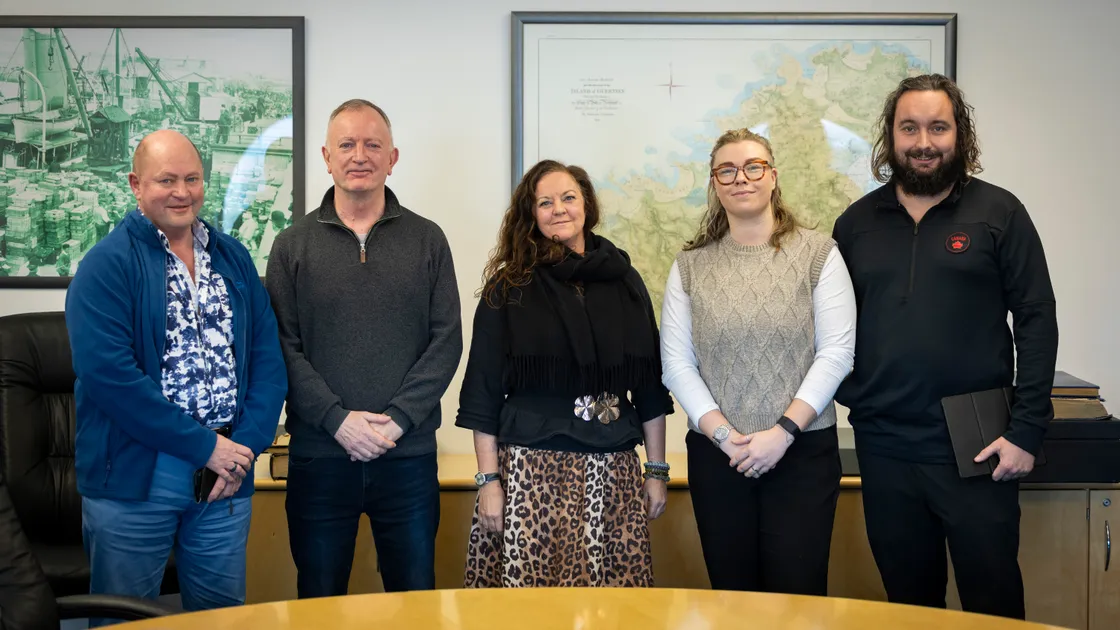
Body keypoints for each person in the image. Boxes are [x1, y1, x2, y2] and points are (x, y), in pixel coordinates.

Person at [831, 74, 1058, 619]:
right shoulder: (856, 225)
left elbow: (1036, 319)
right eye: (909, 128)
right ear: (891, 136)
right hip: (885, 442)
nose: (924, 142)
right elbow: (829, 331)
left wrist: (1026, 429)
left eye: (938, 127)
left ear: (960, 134)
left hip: (979, 440)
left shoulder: (1000, 213)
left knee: (994, 600)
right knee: (908, 606)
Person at [65, 129, 288, 623]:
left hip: (228, 473)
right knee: (126, 618)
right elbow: (110, 379)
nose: (182, 192)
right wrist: (204, 446)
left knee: (220, 617)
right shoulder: (105, 266)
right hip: (137, 475)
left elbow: (268, 361)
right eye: (166, 180)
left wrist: (243, 450)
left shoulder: (232, 258)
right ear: (135, 184)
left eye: (192, 178)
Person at [265, 99, 462, 597]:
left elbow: (446, 340)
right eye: (347, 144)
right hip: (319, 458)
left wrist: (396, 419)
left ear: (392, 157)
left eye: (373, 144)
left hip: (407, 456)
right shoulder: (292, 245)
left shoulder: (428, 240)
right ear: (327, 157)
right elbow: (282, 347)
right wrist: (338, 421)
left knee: (414, 600)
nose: (360, 155)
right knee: (320, 601)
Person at [456, 159, 673, 588]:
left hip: (614, 471)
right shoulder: (509, 287)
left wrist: (657, 470)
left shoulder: (626, 281)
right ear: (530, 214)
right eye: (545, 202)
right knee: (531, 611)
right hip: (530, 473)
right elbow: (481, 393)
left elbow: (649, 386)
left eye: (568, 197)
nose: (559, 209)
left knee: (613, 608)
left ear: (587, 205)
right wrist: (489, 483)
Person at [660, 128, 856, 595]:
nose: (740, 178)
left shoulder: (819, 254)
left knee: (799, 596)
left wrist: (782, 433)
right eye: (726, 170)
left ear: (772, 177)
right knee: (733, 596)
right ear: (714, 183)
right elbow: (676, 364)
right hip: (718, 457)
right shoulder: (690, 266)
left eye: (753, 166)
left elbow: (837, 353)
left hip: (803, 453)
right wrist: (727, 438)